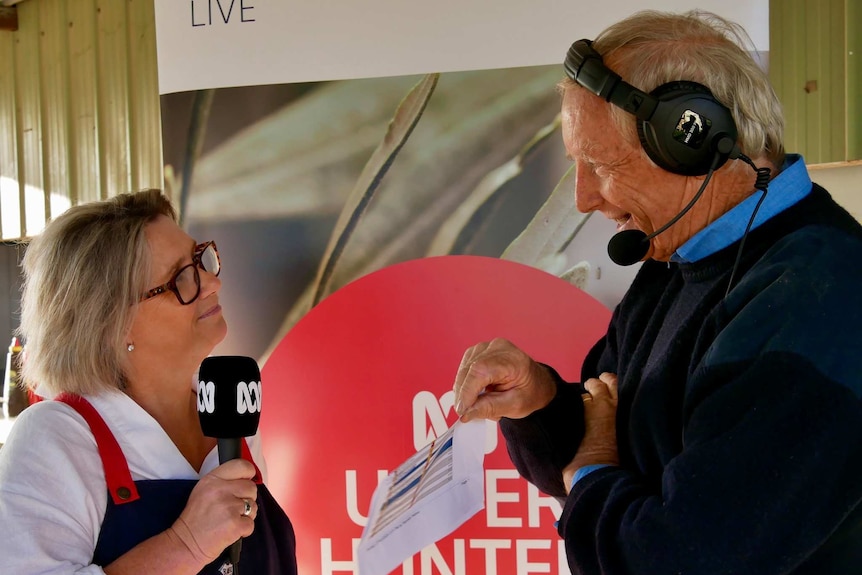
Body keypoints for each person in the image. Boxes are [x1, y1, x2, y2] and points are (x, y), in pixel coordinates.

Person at [453, 10, 862, 575]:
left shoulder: (818, 301)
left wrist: (592, 470)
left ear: (689, 138)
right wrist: (541, 402)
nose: (582, 198)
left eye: (599, 165)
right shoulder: (676, 260)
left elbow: (677, 558)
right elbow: (612, 434)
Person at [0, 190, 298, 574]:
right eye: (182, 278)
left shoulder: (233, 419)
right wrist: (185, 546)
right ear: (110, 321)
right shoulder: (56, 437)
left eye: (200, 259)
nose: (211, 283)